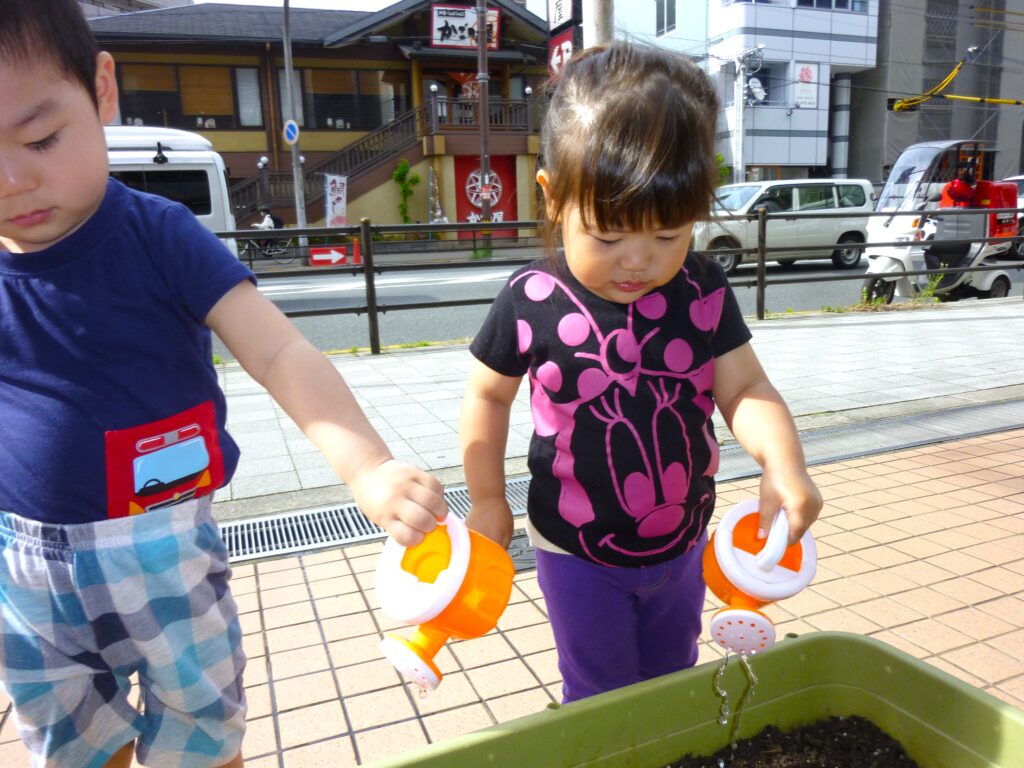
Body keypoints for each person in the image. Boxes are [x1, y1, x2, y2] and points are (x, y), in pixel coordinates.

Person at [0, 2, 447, 766]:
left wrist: (368, 467)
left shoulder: (159, 234)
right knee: (70, 747)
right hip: (22, 567)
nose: (13, 180)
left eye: (42, 138)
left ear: (102, 91)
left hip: (162, 547)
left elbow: (278, 352)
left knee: (202, 735)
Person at [459, 43, 822, 704]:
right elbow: (487, 395)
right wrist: (487, 500)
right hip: (576, 551)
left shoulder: (702, 289)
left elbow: (744, 388)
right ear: (552, 198)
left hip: (682, 545)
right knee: (600, 691)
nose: (638, 261)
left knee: (670, 679)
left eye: (669, 234)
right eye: (608, 235)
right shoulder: (529, 300)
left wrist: (784, 464)